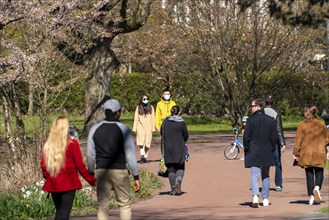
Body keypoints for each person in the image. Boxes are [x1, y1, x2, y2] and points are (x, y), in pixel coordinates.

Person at [87, 98, 140, 220]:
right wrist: (136, 176)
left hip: (101, 170)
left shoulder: (94, 129)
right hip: (119, 170)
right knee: (124, 204)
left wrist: (90, 172)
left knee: (102, 206)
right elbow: (130, 155)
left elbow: (90, 154)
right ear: (117, 112)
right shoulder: (124, 129)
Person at [40, 116, 96, 220]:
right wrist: (91, 180)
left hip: (53, 183)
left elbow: (44, 166)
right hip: (68, 183)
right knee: (64, 214)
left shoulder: (47, 146)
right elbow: (80, 165)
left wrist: (48, 177)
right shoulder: (72, 144)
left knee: (60, 212)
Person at [243, 98, 278, 208]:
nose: (251, 108)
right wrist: (271, 148)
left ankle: (255, 196)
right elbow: (274, 137)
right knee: (266, 175)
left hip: (254, 149)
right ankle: (266, 198)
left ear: (258, 106)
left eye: (252, 106)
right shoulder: (271, 120)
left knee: (255, 174)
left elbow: (246, 137)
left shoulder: (250, 120)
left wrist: (247, 148)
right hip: (266, 149)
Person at [293, 105, 329, 205]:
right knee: (319, 172)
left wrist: (296, 153)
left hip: (306, 153)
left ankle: (311, 196)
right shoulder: (321, 124)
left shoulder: (302, 125)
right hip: (319, 151)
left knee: (309, 173)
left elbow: (298, 140)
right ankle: (317, 187)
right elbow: (327, 139)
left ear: (307, 113)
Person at [161, 106, 189, 196]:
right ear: (178, 112)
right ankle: (179, 181)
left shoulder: (165, 122)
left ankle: (173, 188)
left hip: (168, 147)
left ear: (171, 111)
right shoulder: (181, 122)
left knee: (171, 168)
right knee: (180, 166)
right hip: (179, 147)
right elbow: (186, 135)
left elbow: (162, 134)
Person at [264, 95, 286, 192]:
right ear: (273, 102)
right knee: (277, 163)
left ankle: (265, 183)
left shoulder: (261, 112)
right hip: (275, 141)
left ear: (265, 102)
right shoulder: (276, 112)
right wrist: (282, 143)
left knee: (264, 163)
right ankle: (278, 184)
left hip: (264, 140)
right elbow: (279, 129)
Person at [132, 94, 155, 163]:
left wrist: (153, 128)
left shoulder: (151, 108)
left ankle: (145, 156)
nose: (146, 100)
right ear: (141, 100)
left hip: (148, 127)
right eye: (144, 99)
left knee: (147, 143)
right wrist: (134, 128)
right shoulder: (138, 108)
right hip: (140, 127)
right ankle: (142, 156)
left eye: (147, 99)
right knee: (141, 143)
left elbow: (153, 118)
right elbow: (136, 118)